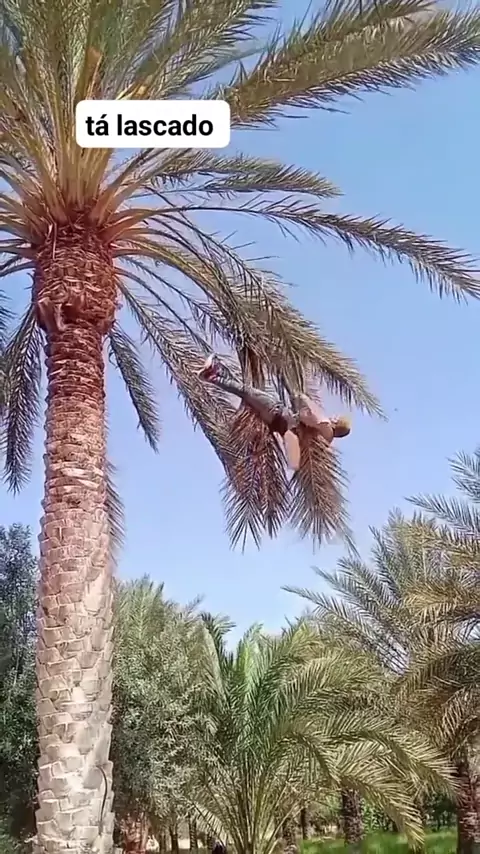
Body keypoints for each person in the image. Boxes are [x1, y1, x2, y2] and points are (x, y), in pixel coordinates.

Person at [197, 355, 351, 469]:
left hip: (278, 413)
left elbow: (315, 418)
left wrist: (303, 400)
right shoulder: (323, 440)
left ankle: (211, 377)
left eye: (337, 418)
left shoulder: (326, 429)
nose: (334, 416)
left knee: (247, 392)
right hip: (276, 421)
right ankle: (217, 372)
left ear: (337, 424)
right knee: (247, 393)